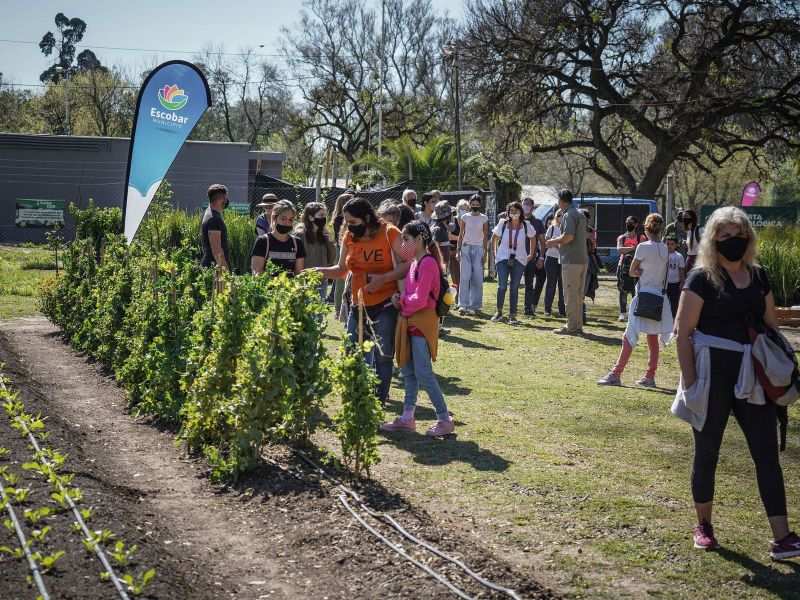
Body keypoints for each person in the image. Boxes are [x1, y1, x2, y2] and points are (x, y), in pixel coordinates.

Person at [672, 206, 800, 558]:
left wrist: (781, 366)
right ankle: (704, 526)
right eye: (724, 235)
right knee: (707, 451)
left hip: (753, 374)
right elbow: (683, 333)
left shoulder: (759, 277)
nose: (732, 241)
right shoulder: (701, 278)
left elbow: (771, 325)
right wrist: (692, 382)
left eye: (738, 234)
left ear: (749, 237)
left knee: (766, 453)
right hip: (712, 372)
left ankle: (782, 536)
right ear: (713, 240)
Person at [316, 197, 409, 404]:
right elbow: (341, 270)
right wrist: (317, 271)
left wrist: (384, 278)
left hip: (386, 303)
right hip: (358, 304)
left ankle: (378, 400)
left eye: (354, 222)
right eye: (347, 222)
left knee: (383, 355)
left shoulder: (390, 232)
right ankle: (356, 397)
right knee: (352, 351)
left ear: (367, 217)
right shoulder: (349, 236)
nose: (350, 227)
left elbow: (409, 263)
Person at [380, 220, 454, 437]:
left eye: (406, 239)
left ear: (420, 239)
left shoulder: (428, 263)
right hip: (411, 321)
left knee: (423, 372)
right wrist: (401, 298)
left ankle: (444, 418)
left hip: (422, 322)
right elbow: (412, 295)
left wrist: (401, 302)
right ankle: (407, 417)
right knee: (408, 371)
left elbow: (420, 299)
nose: (403, 243)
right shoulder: (414, 263)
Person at [598, 213, 672, 387]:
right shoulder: (664, 249)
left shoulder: (643, 247)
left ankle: (616, 374)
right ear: (660, 229)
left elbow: (632, 271)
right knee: (652, 338)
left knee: (629, 335)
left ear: (646, 228)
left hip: (644, 295)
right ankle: (650, 376)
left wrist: (640, 272)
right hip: (659, 298)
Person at [545, 190, 587, 334]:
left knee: (570, 294)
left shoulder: (569, 214)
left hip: (571, 260)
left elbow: (568, 237)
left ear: (561, 201)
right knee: (578, 294)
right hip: (582, 259)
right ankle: (577, 325)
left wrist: (552, 241)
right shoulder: (580, 213)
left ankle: (571, 326)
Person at [490, 201, 536, 324]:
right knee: (502, 286)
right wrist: (495, 253)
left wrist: (531, 254)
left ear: (521, 212)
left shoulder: (526, 225)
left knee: (514, 287)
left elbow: (533, 237)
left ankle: (512, 315)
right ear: (508, 212)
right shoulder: (503, 223)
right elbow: (494, 238)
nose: (514, 213)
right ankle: (499, 312)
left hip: (519, 259)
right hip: (503, 259)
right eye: (511, 211)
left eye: (516, 211)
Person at [251, 200, 305, 276]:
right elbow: (257, 272)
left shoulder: (297, 243)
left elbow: (299, 273)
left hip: (291, 287)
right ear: (274, 218)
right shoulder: (263, 241)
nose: (287, 223)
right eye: (283, 219)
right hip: (267, 287)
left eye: (290, 219)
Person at [456, 194, 489, 316]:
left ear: (480, 205)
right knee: (465, 277)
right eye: (473, 204)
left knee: (477, 278)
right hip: (465, 248)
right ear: (470, 205)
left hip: (479, 248)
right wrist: (458, 250)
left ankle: (475, 305)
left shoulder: (484, 218)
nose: (475, 206)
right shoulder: (465, 217)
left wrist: (485, 252)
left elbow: (485, 236)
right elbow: (461, 234)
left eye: (477, 204)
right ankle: (462, 304)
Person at [295, 201, 336, 297]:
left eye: (325, 215)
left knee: (319, 310)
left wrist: (329, 240)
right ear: (310, 217)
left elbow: (331, 259)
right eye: (321, 215)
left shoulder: (323, 234)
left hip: (322, 278)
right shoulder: (300, 235)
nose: (324, 218)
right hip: (305, 279)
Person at [616, 216, 646, 321]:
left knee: (636, 290)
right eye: (627, 222)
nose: (629, 224)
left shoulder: (641, 237)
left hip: (637, 267)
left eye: (631, 222)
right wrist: (633, 248)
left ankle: (634, 311)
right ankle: (622, 313)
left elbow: (642, 251)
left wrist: (627, 249)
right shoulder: (622, 238)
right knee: (622, 290)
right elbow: (619, 250)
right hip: (622, 266)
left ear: (636, 224)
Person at [521, 197, 546, 316]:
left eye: (528, 204)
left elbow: (542, 241)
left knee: (529, 283)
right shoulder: (516, 221)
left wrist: (541, 258)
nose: (526, 206)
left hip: (531, 258)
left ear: (532, 207)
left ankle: (528, 308)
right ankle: (511, 309)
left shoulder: (538, 222)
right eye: (524, 204)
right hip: (516, 257)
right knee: (514, 284)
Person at [331, 192, 353, 316]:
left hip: (342, 249)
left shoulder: (337, 218)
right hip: (343, 250)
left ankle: (340, 307)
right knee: (341, 280)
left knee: (341, 281)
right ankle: (339, 308)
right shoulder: (340, 219)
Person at [200, 184, 231, 271]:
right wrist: (226, 273)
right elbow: (217, 250)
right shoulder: (214, 219)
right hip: (214, 268)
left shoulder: (207, 213)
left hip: (210, 265)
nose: (227, 201)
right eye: (226, 198)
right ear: (221, 199)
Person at [543, 211, 566, 317]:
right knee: (550, 284)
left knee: (563, 286)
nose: (560, 217)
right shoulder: (552, 228)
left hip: (564, 260)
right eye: (559, 215)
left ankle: (562, 310)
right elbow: (546, 243)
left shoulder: (568, 229)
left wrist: (555, 242)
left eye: (563, 215)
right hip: (551, 259)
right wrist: (556, 244)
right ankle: (547, 309)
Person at [449, 199, 469, 288]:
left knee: (467, 277)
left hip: (468, 252)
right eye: (461, 208)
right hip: (453, 252)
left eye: (465, 208)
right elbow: (449, 236)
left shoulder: (470, 221)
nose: (463, 210)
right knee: (456, 277)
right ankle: (457, 297)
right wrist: (462, 239)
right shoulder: (452, 220)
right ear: (457, 208)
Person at [665, 236, 686, 319]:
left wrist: (682, 282)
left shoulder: (679, 256)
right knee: (665, 302)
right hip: (665, 283)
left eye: (672, 244)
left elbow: (681, 270)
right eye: (667, 244)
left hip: (675, 284)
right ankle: (665, 318)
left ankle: (674, 318)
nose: (669, 246)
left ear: (676, 245)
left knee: (674, 302)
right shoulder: (663, 255)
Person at [431, 200, 453, 272]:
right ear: (448, 216)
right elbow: (435, 246)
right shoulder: (438, 229)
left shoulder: (444, 227)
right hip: (440, 265)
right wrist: (442, 265)